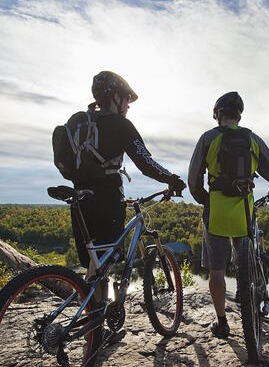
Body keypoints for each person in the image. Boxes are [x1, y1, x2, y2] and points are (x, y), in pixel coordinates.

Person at [66, 71, 185, 303]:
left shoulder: (79, 122)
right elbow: (145, 162)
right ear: (114, 97)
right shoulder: (120, 125)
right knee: (103, 266)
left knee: (94, 264)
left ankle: (93, 326)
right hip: (106, 202)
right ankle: (97, 328)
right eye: (126, 99)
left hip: (79, 200)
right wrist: (172, 179)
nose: (128, 106)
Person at [187, 91, 269, 338]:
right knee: (247, 261)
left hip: (216, 211)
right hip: (244, 209)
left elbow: (193, 180)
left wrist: (207, 201)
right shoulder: (252, 139)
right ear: (239, 116)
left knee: (216, 271)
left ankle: (222, 323)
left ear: (217, 115)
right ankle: (250, 302)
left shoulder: (208, 139)